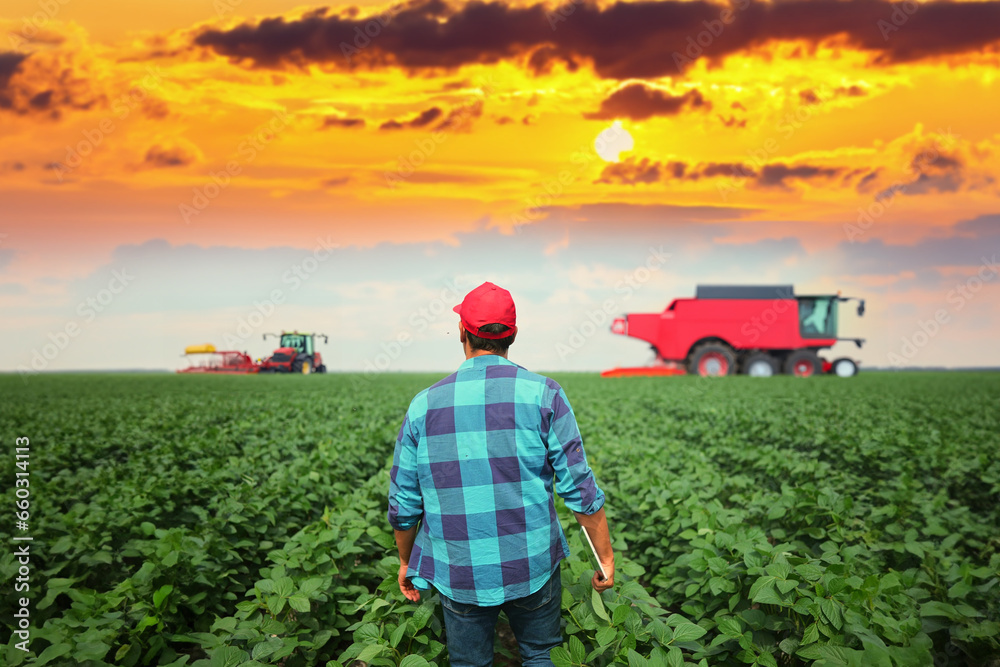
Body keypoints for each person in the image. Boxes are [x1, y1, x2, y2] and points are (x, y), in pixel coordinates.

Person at [387, 281, 614, 667]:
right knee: (542, 654)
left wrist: (407, 561)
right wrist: (604, 558)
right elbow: (579, 488)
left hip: (459, 567)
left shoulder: (424, 405)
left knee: (470, 663)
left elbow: (404, 504)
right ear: (513, 335)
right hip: (531, 562)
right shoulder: (545, 394)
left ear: (462, 331)